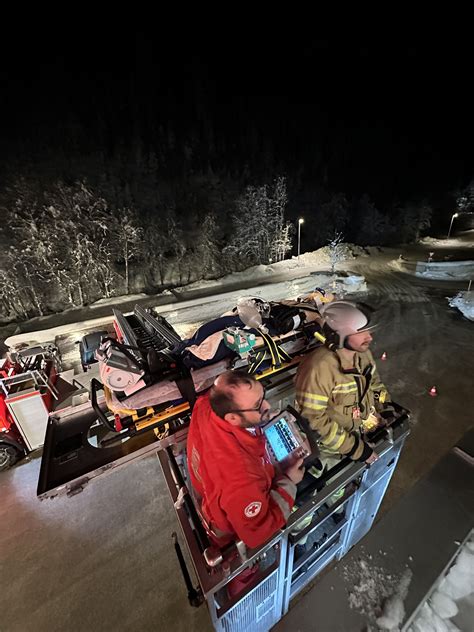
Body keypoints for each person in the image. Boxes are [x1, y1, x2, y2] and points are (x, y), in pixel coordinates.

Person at [187, 370, 305, 550]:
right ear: (233, 418)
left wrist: (260, 420)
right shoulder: (240, 478)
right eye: (258, 405)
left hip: (211, 494)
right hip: (226, 533)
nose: (267, 405)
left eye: (263, 395)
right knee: (244, 575)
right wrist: (289, 482)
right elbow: (258, 533)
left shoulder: (206, 404)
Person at [295, 301, 390, 469]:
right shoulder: (319, 368)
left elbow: (375, 385)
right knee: (336, 491)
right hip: (330, 453)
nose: (370, 337)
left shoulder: (363, 354)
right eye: (362, 332)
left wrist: (386, 409)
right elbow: (314, 420)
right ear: (339, 334)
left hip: (357, 436)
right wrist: (355, 449)